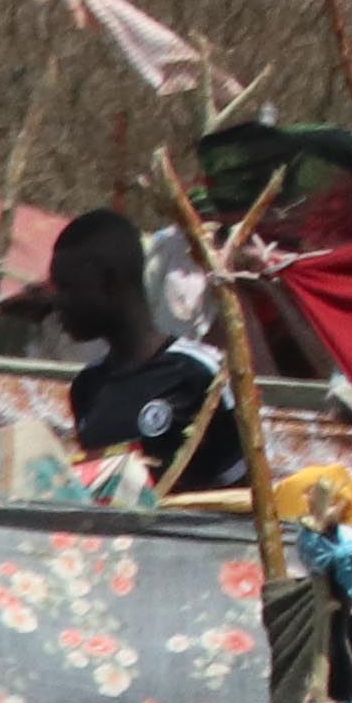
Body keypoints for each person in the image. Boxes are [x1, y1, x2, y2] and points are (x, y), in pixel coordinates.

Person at [45, 209, 244, 493]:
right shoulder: (87, 388)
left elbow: (243, 496)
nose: (57, 302)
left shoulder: (200, 375)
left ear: (109, 282)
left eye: (66, 287)